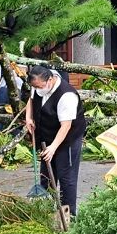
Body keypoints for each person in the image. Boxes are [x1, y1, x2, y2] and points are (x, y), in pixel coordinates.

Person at [25, 66, 86, 215]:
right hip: (46, 136)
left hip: (68, 139)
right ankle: (47, 211)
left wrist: (53, 148)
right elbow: (31, 100)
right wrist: (28, 118)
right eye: (35, 87)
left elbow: (66, 126)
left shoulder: (67, 95)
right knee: (46, 175)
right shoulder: (37, 85)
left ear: (50, 80)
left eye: (40, 87)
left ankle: (68, 215)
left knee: (66, 178)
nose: (38, 90)